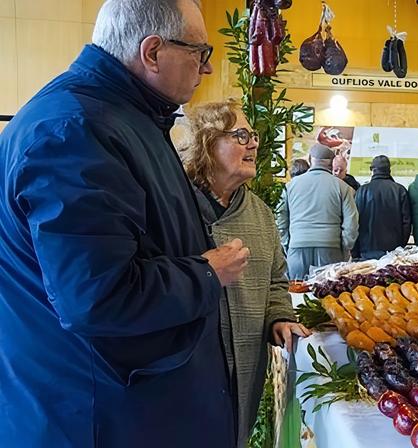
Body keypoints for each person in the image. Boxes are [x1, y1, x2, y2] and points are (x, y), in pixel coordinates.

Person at [0, 0, 249, 446]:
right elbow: (97, 296)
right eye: (199, 53)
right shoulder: (74, 130)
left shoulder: (118, 118)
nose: (206, 70)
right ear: (152, 52)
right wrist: (207, 272)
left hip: (124, 405)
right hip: (97, 416)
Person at [179, 100, 311, 447]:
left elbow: (276, 282)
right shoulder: (175, 207)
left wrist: (279, 318)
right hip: (185, 378)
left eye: (252, 135)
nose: (253, 143)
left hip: (244, 377)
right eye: (240, 135)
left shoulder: (261, 214)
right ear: (208, 143)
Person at [277, 144, 359, 279]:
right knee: (327, 295)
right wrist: (344, 246)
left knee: (298, 293)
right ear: (331, 163)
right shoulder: (343, 187)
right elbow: (352, 222)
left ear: (310, 160)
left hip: (297, 247)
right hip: (331, 248)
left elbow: (280, 219)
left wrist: (287, 243)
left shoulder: (290, 186)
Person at [353, 156, 412, 259]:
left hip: (366, 249)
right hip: (393, 251)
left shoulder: (361, 191)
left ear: (372, 170)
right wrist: (401, 246)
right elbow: (406, 223)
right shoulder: (400, 190)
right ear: (389, 170)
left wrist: (355, 250)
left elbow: (355, 222)